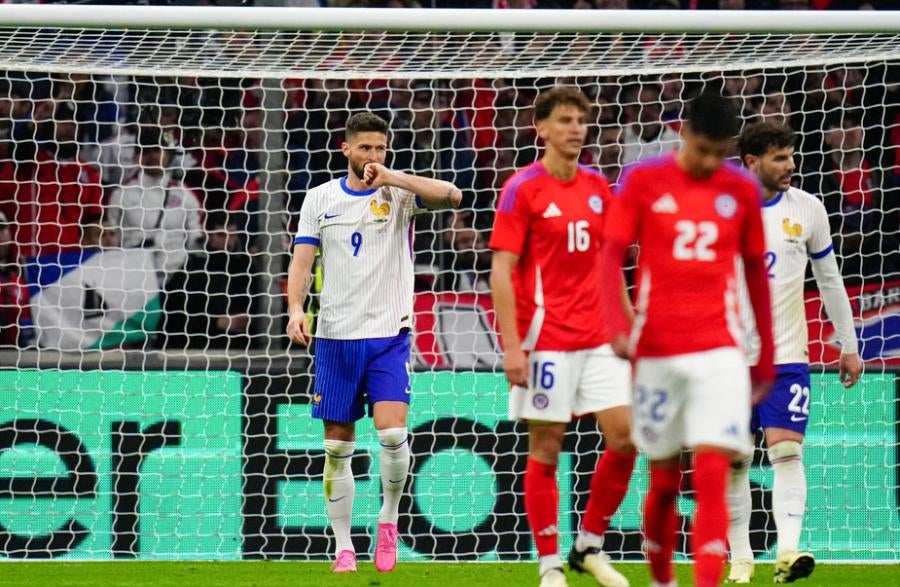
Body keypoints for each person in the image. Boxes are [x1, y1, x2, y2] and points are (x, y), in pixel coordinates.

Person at [600, 92, 776, 587]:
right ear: (683, 131)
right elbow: (611, 254)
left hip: (720, 351)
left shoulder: (740, 188)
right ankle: (662, 579)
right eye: (703, 149)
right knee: (662, 483)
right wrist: (617, 323)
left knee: (713, 475)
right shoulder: (642, 180)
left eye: (720, 153)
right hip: (655, 350)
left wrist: (764, 353)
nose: (710, 162)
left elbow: (755, 276)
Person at [285, 112, 462, 574]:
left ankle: (388, 520)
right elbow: (302, 262)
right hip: (336, 338)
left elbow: (453, 196)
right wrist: (295, 309)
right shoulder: (320, 198)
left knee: (391, 433)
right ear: (345, 149)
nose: (373, 156)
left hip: (388, 334)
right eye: (365, 148)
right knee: (337, 448)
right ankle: (343, 545)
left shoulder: (399, 193)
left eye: (380, 148)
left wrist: (392, 176)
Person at [489, 86, 636, 587]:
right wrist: (512, 345)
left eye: (582, 120)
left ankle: (588, 544)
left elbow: (610, 258)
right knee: (547, 450)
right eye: (567, 120)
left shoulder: (599, 186)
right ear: (542, 129)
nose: (577, 128)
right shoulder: (521, 188)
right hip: (545, 338)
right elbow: (501, 270)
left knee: (626, 437)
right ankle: (549, 561)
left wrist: (628, 319)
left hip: (598, 337)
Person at [726, 122, 862, 584]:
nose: (791, 165)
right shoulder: (721, 208)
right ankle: (741, 558)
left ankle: (787, 551)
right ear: (751, 163)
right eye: (780, 158)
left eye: (792, 156)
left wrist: (849, 343)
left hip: (785, 357)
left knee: (786, 451)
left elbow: (829, 278)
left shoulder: (809, 208)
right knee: (735, 459)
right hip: (727, 358)